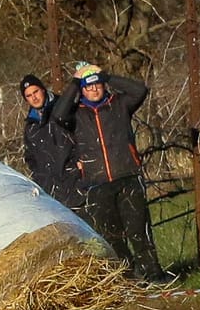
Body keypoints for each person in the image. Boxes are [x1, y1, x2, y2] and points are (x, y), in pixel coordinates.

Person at [51, 61, 163, 282]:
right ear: (82, 90)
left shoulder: (120, 104)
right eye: (88, 86)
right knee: (112, 237)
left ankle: (154, 275)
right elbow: (58, 115)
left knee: (139, 231)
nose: (93, 89)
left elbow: (140, 90)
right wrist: (75, 81)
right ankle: (128, 279)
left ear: (103, 85)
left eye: (97, 85)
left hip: (128, 177)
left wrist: (107, 76)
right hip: (97, 183)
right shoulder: (76, 114)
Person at [19, 73, 81, 209]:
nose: (34, 97)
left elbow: (82, 135)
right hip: (50, 192)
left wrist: (78, 163)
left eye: (36, 92)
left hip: (75, 183)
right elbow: (30, 157)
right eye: (29, 95)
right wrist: (40, 177)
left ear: (43, 89)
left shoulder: (63, 109)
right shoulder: (31, 127)